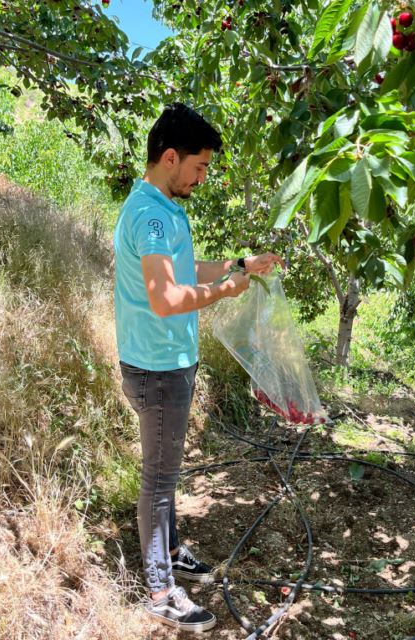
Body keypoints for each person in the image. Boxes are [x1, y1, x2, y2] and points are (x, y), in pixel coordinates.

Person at [112, 102, 284, 632]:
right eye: (200, 166)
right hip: (158, 368)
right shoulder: (152, 216)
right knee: (159, 479)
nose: (203, 177)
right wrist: (222, 292)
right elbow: (166, 298)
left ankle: (172, 546)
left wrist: (237, 266)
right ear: (170, 157)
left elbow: (186, 270)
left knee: (167, 472)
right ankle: (161, 589)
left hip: (169, 363)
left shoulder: (160, 206)